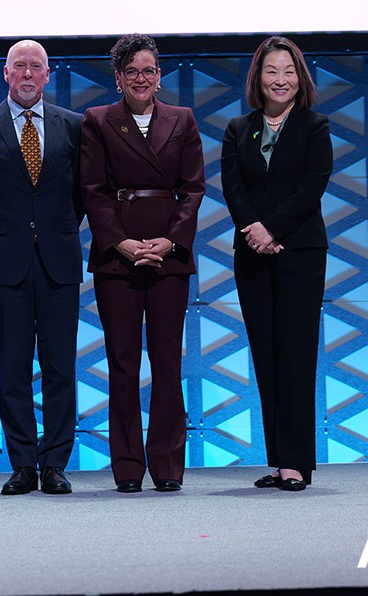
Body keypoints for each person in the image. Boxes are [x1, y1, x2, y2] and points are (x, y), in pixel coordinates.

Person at [0, 40, 84, 495]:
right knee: (13, 367)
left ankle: (54, 464)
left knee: (59, 367)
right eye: (20, 67)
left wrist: (52, 231)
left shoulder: (73, 126)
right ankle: (22, 465)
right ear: (5, 73)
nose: (28, 74)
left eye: (37, 67)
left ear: (48, 75)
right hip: (4, 263)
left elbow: (81, 195)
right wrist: (4, 235)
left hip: (58, 261)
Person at [80, 34, 205, 493]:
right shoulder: (97, 121)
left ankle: (169, 467)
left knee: (168, 362)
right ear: (118, 78)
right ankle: (128, 468)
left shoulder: (183, 120)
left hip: (169, 255)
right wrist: (121, 243)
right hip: (119, 257)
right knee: (123, 363)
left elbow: (193, 189)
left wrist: (171, 241)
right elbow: (91, 190)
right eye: (131, 71)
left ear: (159, 76)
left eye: (148, 70)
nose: (140, 78)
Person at [221, 36, 332, 492]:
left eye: (288, 71)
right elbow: (233, 187)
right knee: (265, 356)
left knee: (296, 355)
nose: (280, 79)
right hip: (252, 255)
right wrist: (254, 229)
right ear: (258, 78)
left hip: (300, 253)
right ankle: (278, 458)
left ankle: (297, 464)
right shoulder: (238, 127)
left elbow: (313, 186)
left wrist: (273, 230)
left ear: (299, 77)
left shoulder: (315, 125)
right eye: (271, 71)